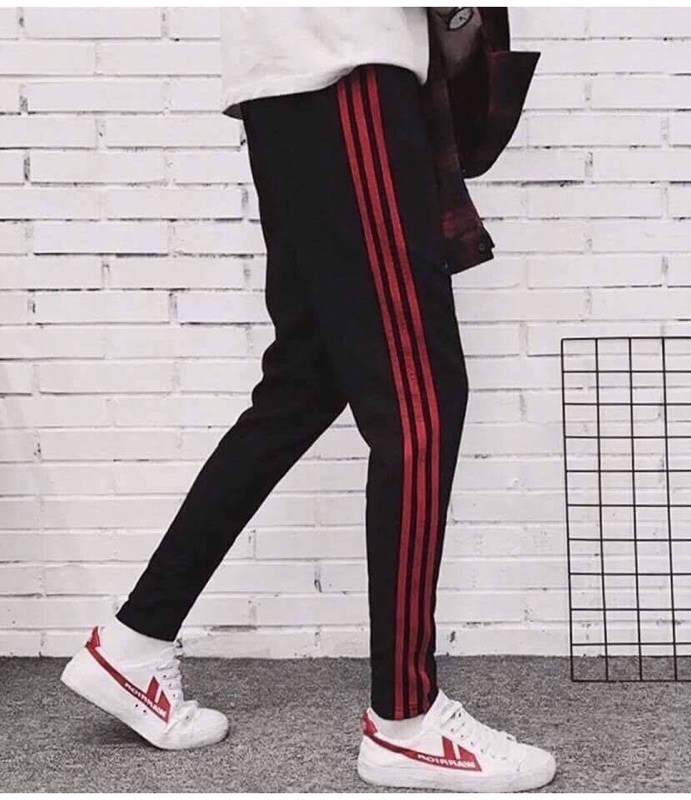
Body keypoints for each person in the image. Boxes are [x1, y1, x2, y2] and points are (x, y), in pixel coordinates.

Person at [60, 7, 555, 791]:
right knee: (422, 398)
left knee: (307, 379)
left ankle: (135, 641)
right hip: (344, 66)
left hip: (291, 79)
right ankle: (406, 722)